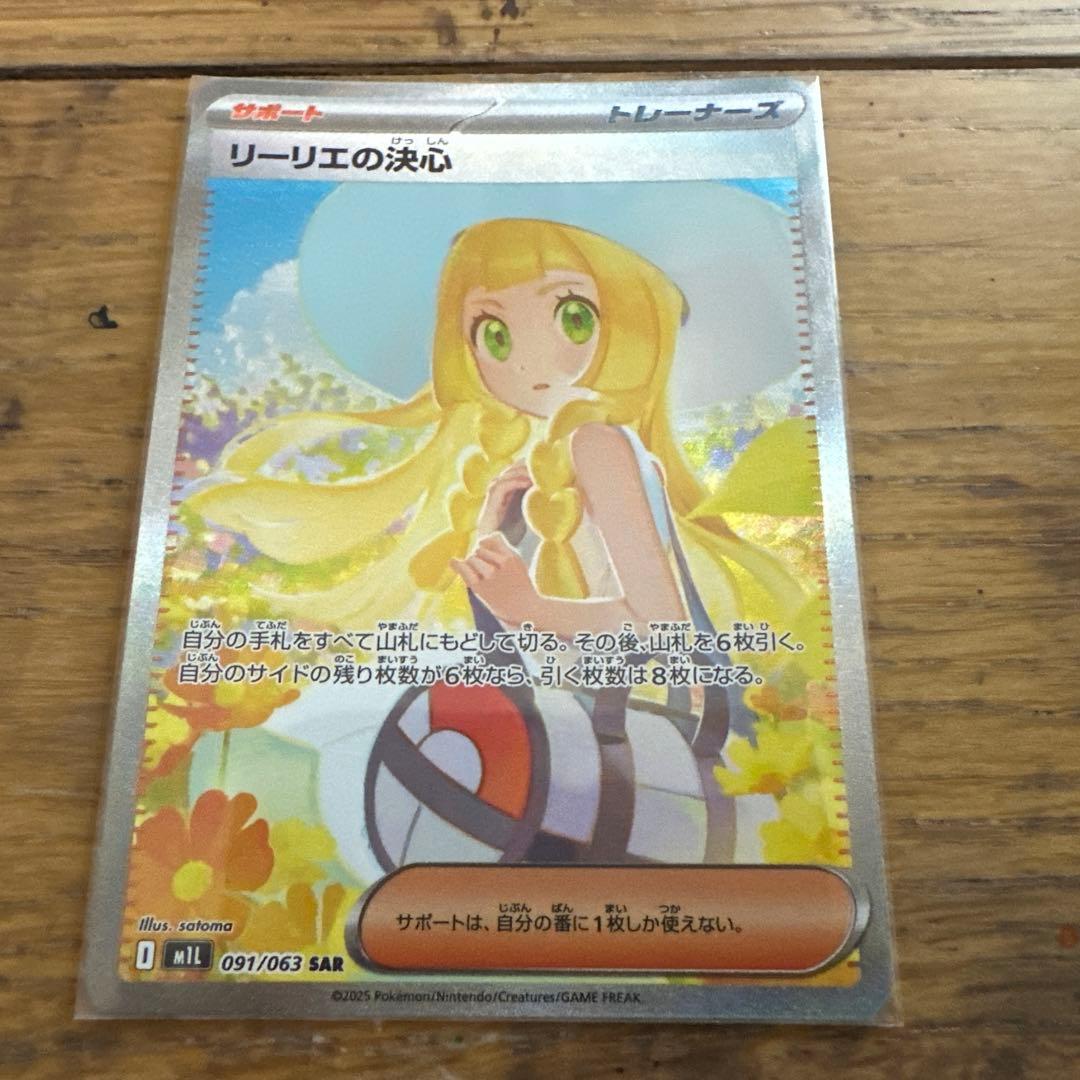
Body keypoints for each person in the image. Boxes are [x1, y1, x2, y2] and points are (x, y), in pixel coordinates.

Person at [187, 217, 803, 636]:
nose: (528, 363)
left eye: (573, 317)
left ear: (635, 315)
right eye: (495, 334)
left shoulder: (599, 444)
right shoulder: (550, 461)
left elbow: (664, 631)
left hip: (623, 730)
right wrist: (494, 537)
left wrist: (528, 607)